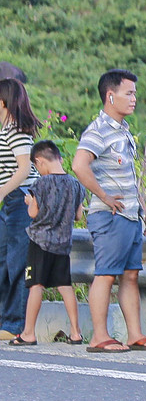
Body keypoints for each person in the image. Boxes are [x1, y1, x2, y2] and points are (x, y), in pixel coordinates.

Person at [73, 69, 146, 353]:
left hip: (129, 214)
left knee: (130, 274)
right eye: (129, 93)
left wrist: (143, 208)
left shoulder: (122, 130)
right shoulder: (98, 130)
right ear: (111, 96)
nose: (134, 98)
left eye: (134, 93)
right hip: (109, 216)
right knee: (106, 274)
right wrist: (104, 196)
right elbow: (79, 165)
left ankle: (135, 334)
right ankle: (99, 336)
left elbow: (128, 174)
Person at [9, 142, 85, 346]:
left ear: (39, 161)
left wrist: (29, 202)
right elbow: (78, 215)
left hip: (40, 242)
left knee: (35, 285)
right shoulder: (76, 185)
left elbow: (33, 213)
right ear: (59, 158)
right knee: (65, 286)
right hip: (63, 244)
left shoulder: (40, 185)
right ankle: (76, 332)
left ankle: (28, 333)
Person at [0, 79, 40, 339]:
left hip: (22, 200)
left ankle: (15, 325)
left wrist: (1, 193)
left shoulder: (15, 129)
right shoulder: (4, 129)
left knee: (17, 263)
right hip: (10, 202)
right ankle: (6, 320)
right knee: (4, 261)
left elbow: (24, 168)